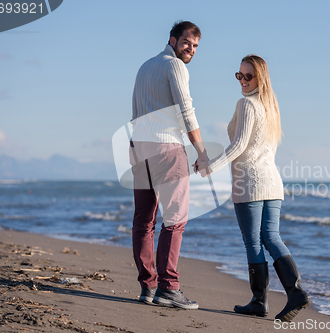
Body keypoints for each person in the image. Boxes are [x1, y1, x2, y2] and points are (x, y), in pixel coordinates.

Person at [197, 55, 311, 321]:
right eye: (239, 75)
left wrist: (210, 166)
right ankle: (294, 293)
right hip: (272, 181)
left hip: (249, 181)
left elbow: (238, 146)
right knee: (272, 237)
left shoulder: (247, 105)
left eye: (249, 76)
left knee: (253, 241)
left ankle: (260, 301)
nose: (243, 81)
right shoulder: (271, 106)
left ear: (261, 79)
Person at [130, 20, 208, 310]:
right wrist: (202, 151)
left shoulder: (145, 66)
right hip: (166, 148)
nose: (191, 49)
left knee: (144, 221)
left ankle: (148, 287)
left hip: (139, 147)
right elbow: (186, 110)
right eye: (187, 42)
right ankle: (169, 288)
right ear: (173, 40)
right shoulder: (175, 67)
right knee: (175, 220)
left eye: (196, 45)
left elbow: (137, 110)